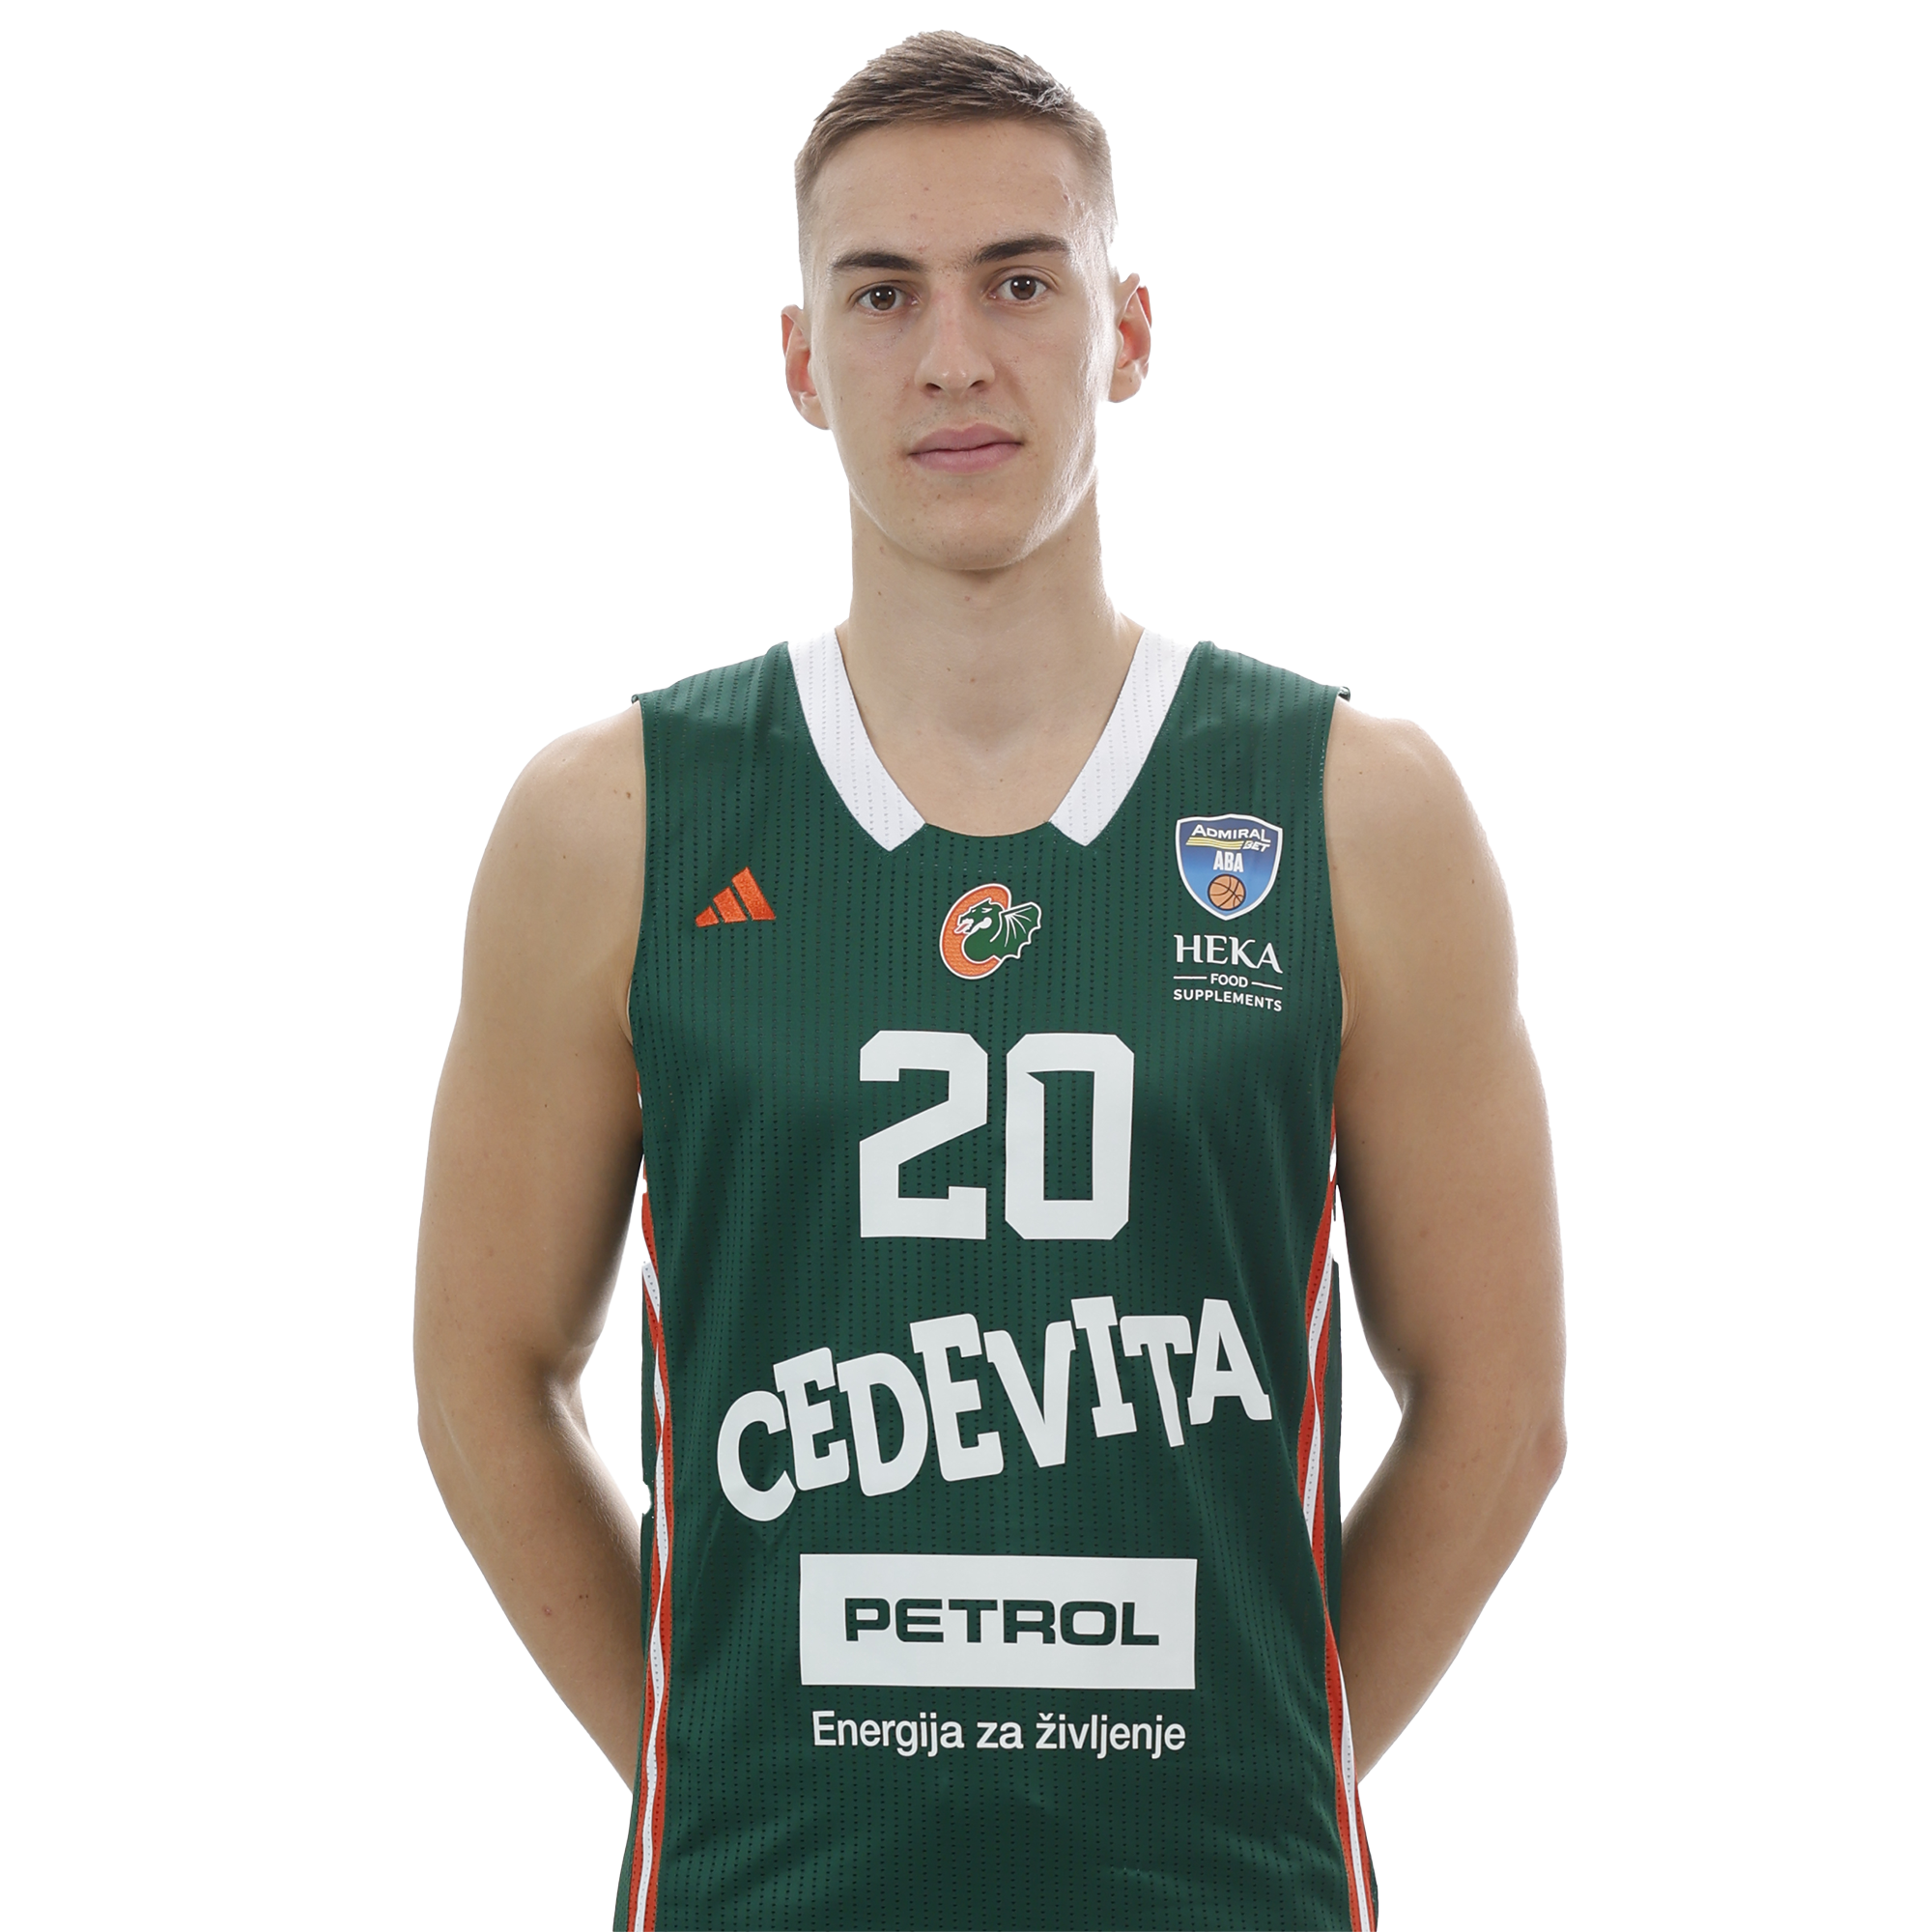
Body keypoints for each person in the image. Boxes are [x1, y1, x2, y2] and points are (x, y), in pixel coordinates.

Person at [413, 30, 1566, 1932]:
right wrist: (713, 1758)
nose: (952, 355)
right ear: (802, 360)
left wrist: (1256, 1763)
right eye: (882, 295)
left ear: (1128, 330)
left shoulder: (1353, 809)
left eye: (1020, 283)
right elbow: (480, 1377)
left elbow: (1500, 1405)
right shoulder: (612, 822)